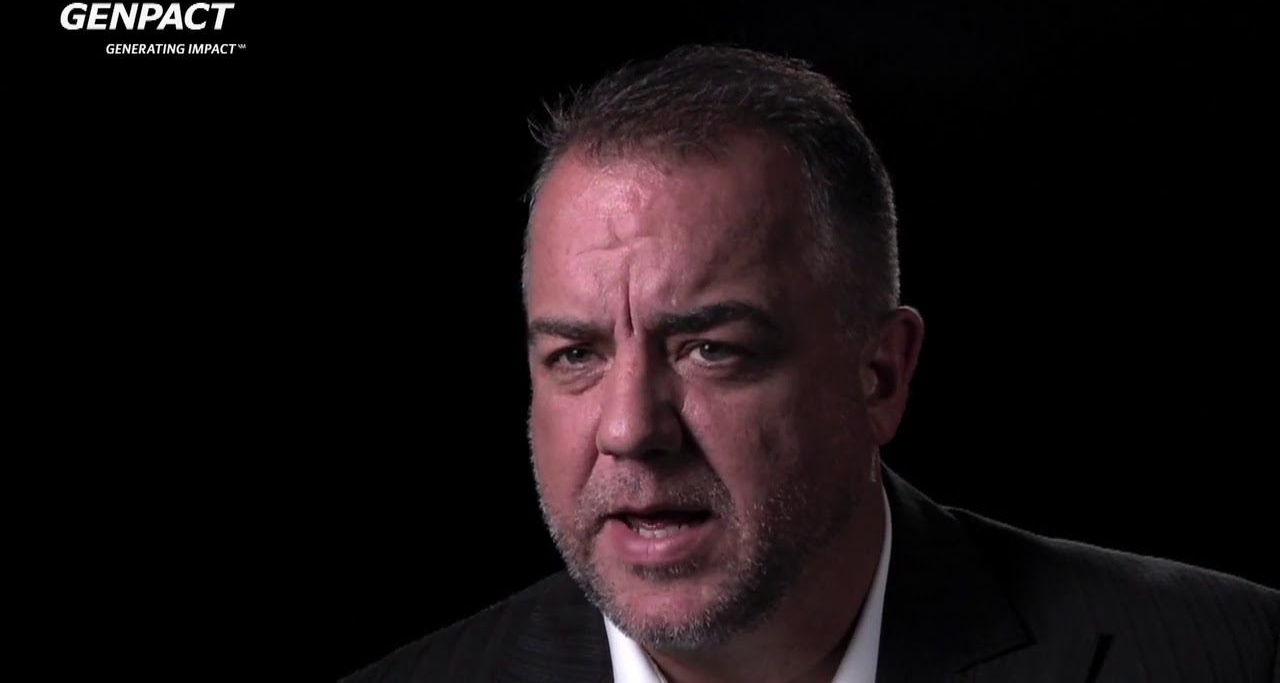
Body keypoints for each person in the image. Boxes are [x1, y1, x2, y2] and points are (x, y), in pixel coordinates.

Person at [343, 44, 1279, 682]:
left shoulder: (1231, 657)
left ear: (880, 377)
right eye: (577, 354)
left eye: (711, 349)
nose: (630, 430)